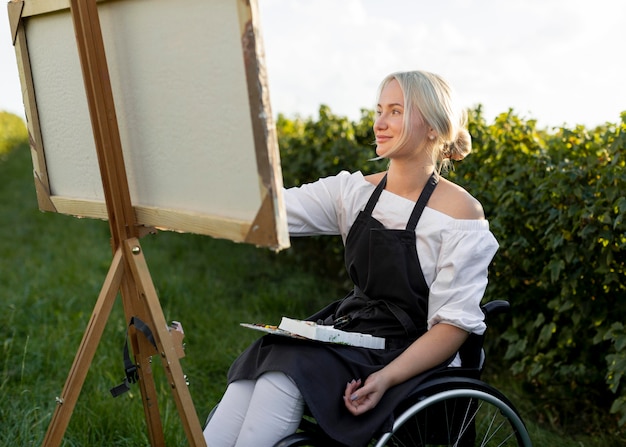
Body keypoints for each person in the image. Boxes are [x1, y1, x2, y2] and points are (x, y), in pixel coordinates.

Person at [203, 70, 499, 447]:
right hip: (354, 331)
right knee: (263, 364)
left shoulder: (462, 215)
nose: (380, 123)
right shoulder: (354, 192)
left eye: (395, 111)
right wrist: (182, 208)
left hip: (409, 352)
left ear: (432, 127)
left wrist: (387, 377)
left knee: (284, 375)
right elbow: (270, 210)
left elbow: (451, 328)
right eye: (379, 110)